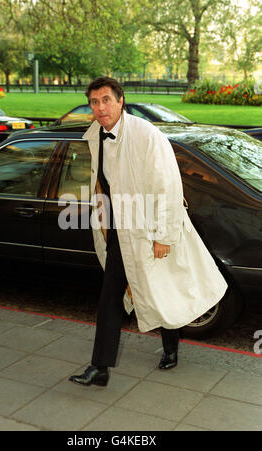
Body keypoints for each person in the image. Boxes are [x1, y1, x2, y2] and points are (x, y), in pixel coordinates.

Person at [69, 77, 228, 387]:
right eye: (94, 102)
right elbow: (102, 183)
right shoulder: (94, 136)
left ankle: (170, 346)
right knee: (111, 297)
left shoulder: (147, 136)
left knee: (160, 287)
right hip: (118, 230)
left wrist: (163, 236)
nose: (100, 107)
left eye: (105, 100)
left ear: (120, 101)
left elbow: (168, 187)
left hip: (148, 229)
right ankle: (99, 368)